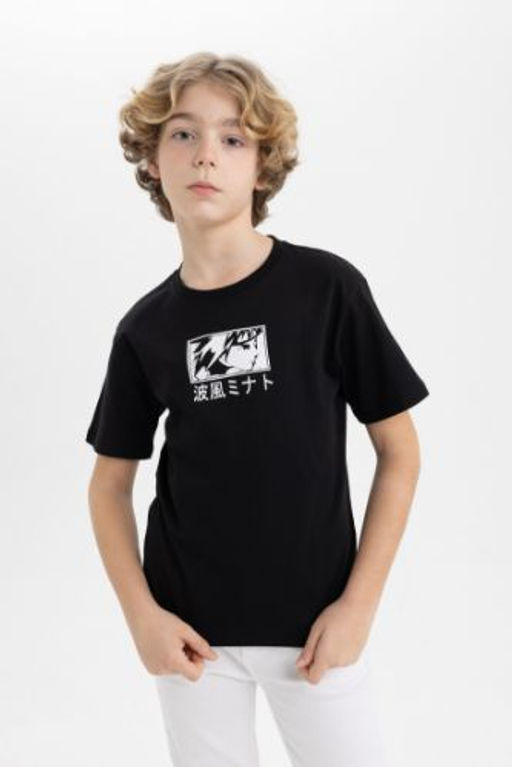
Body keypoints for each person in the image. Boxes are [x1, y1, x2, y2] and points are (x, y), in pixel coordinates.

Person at [85, 51, 429, 767]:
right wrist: (143, 617)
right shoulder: (145, 328)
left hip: (316, 632)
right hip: (192, 641)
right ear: (151, 158)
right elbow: (109, 485)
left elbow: (399, 451)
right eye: (183, 134)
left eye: (233, 138)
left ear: (262, 166)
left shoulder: (326, 289)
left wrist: (357, 606)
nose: (205, 154)